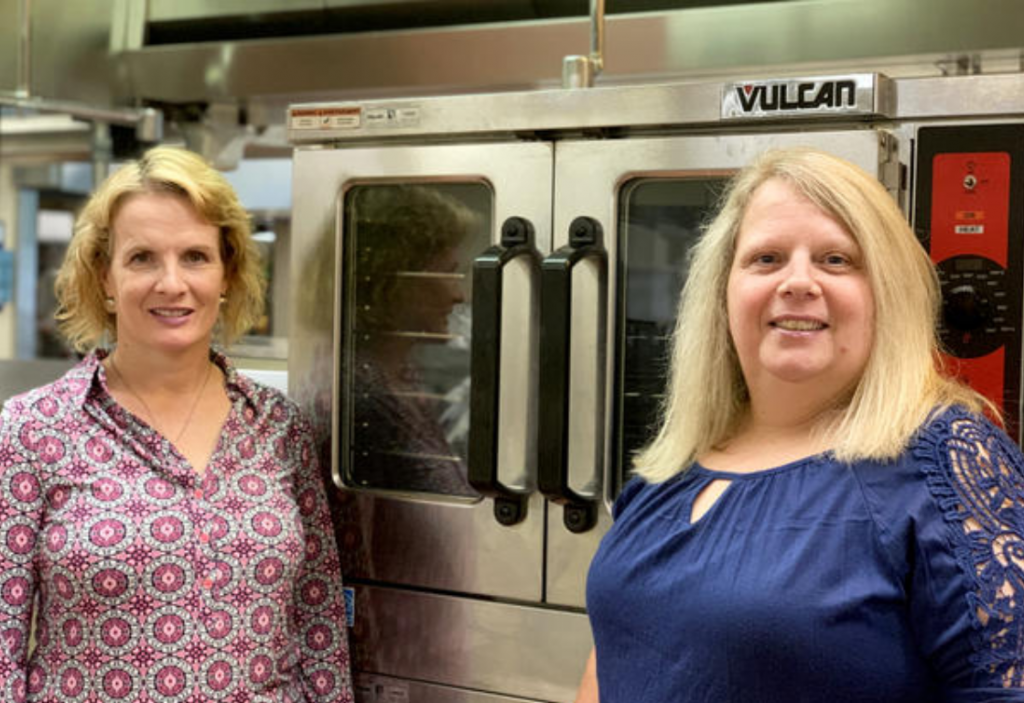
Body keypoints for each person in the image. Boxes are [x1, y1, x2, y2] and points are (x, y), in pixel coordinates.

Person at [576, 147, 1024, 702]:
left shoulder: (947, 461)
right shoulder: (672, 466)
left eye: (836, 260)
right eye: (766, 259)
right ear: (723, 292)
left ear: (889, 294)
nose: (798, 282)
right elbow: (613, 660)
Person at [0, 146, 353, 702]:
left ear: (227, 273)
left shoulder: (279, 427)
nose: (171, 283)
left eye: (195, 256)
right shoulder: (33, 430)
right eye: (142, 258)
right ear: (105, 278)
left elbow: (319, 625)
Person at [347, 185, 477, 497]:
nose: (459, 295)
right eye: (447, 274)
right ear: (394, 282)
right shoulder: (364, 401)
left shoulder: (402, 377)